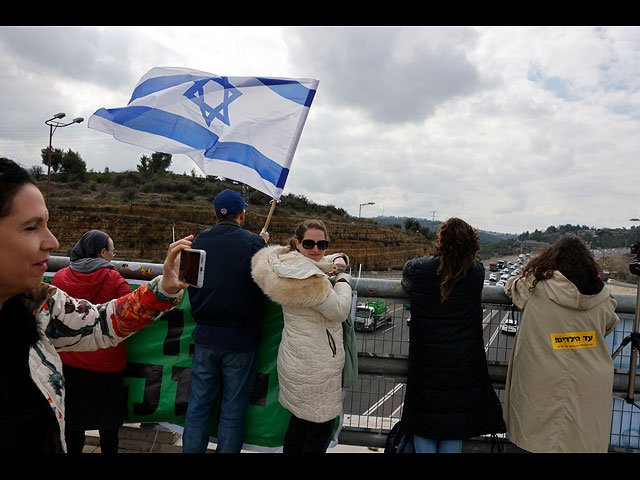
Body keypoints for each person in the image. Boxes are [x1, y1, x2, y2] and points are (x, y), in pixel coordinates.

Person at [0, 157, 192, 453]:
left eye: (47, 224)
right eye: (31, 228)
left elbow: (103, 322)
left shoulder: (40, 305)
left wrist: (164, 288)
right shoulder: (105, 279)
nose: (52, 241)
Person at [503, 235, 619, 453]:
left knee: (535, 440)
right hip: (589, 380)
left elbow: (513, 288)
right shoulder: (602, 296)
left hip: (541, 378)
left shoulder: (536, 287)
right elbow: (609, 324)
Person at [400, 217, 505, 453]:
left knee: (424, 421)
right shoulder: (476, 271)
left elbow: (407, 283)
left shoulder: (417, 269)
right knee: (453, 423)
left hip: (426, 362)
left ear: (440, 239)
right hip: (463, 363)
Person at [251, 219, 352, 453]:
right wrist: (344, 280)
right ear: (297, 243)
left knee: (298, 424)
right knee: (318, 432)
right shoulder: (311, 281)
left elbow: (318, 262)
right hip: (317, 367)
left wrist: (339, 259)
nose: (316, 249)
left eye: (322, 244)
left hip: (295, 361)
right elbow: (339, 310)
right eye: (309, 243)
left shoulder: (285, 263)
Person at [182, 189, 270, 453]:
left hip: (205, 337)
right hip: (241, 340)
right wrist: (262, 244)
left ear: (215, 213)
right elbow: (267, 284)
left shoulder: (197, 241)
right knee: (232, 410)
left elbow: (189, 282)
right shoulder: (254, 244)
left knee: (197, 407)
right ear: (242, 214)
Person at [51, 230, 131, 454]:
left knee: (73, 424)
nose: (113, 256)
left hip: (69, 361)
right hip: (107, 364)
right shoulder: (113, 278)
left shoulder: (59, 277)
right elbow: (129, 311)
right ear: (102, 252)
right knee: (109, 426)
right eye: (112, 250)